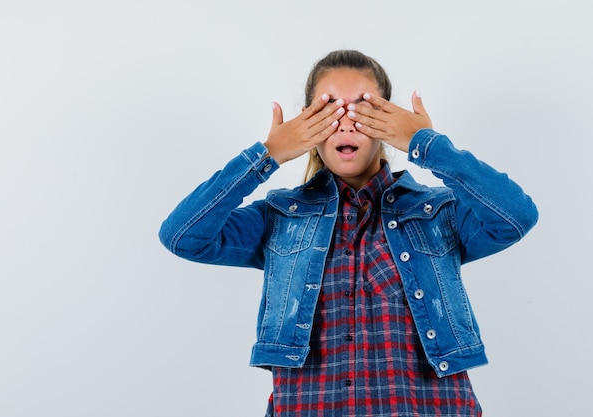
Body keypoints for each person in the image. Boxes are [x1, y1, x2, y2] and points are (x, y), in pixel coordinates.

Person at [159, 50, 538, 416]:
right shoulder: (279, 218)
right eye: (328, 109)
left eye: (363, 108)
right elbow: (182, 235)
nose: (345, 121)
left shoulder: (437, 213)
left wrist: (426, 144)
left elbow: (516, 216)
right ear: (305, 126)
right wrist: (267, 155)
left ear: (389, 122)